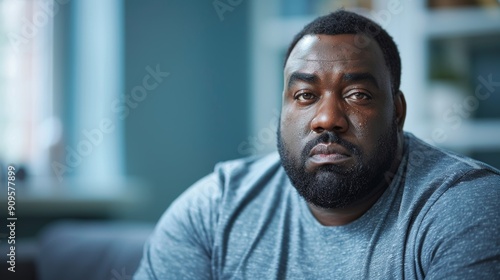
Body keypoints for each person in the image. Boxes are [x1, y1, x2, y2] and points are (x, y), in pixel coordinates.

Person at [134, 10, 500, 279]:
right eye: (305, 95)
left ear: (398, 112)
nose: (327, 118)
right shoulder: (215, 210)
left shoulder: (466, 208)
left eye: (357, 95)